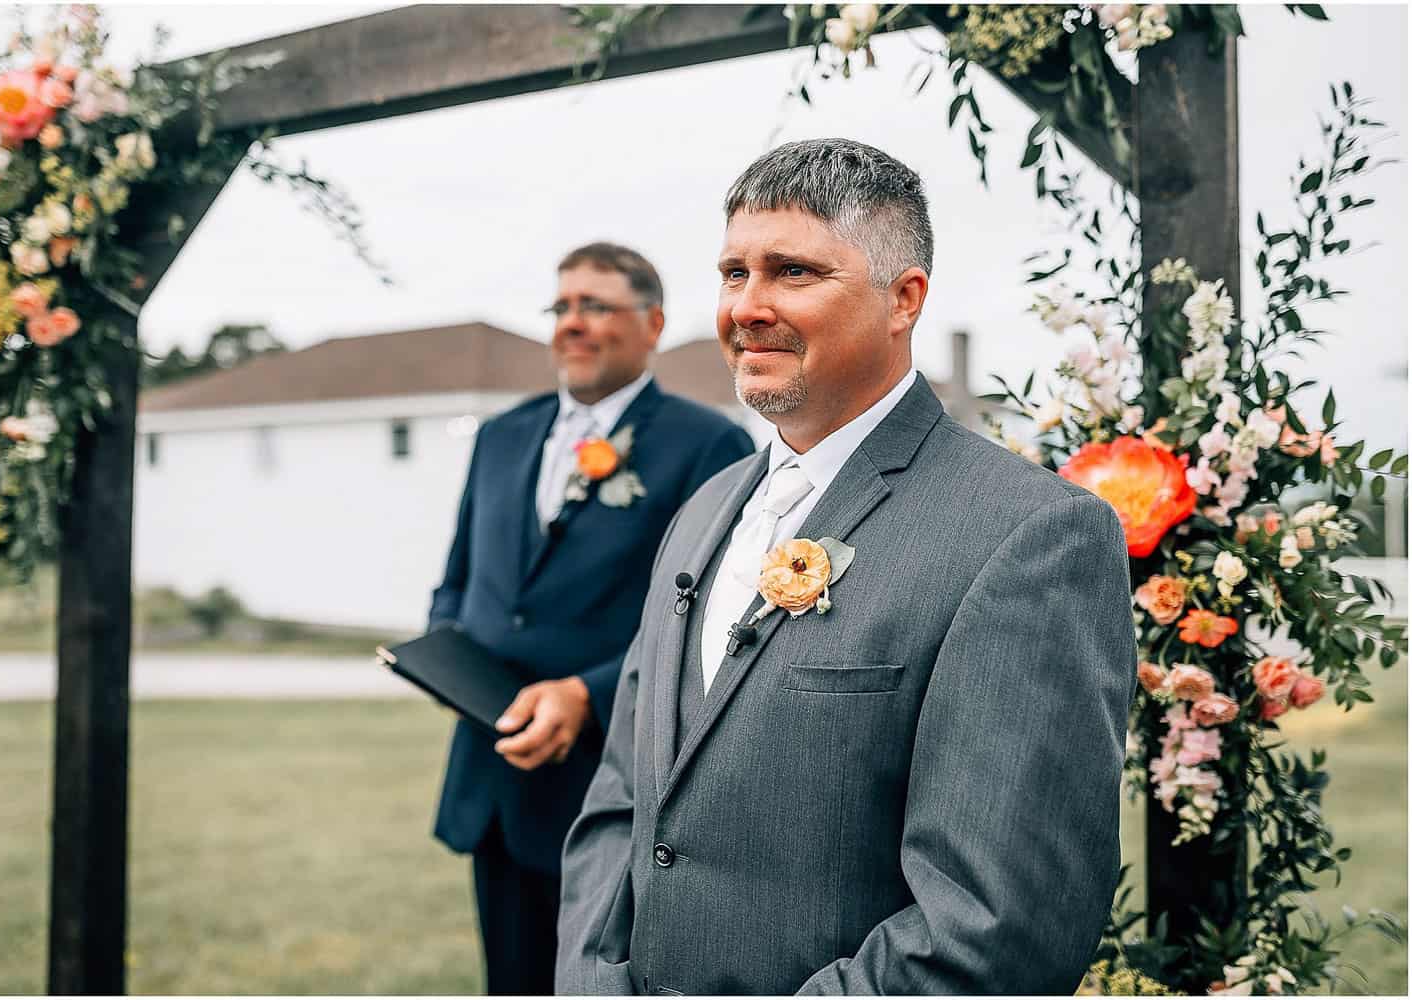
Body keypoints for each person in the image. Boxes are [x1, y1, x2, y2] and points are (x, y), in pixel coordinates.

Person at [555, 140, 1137, 995]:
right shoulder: (702, 512)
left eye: (792, 272)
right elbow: (620, 801)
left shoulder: (1031, 536)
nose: (746, 308)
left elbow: (1001, 924)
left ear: (903, 299)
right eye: (732, 272)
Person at [428, 242, 756, 995]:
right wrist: (449, 660)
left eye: (596, 306)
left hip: (612, 783)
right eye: (562, 306)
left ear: (653, 325)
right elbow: (456, 585)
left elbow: (711, 617)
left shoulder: (709, 444)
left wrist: (590, 694)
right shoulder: (502, 435)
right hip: (494, 770)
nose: (572, 323)